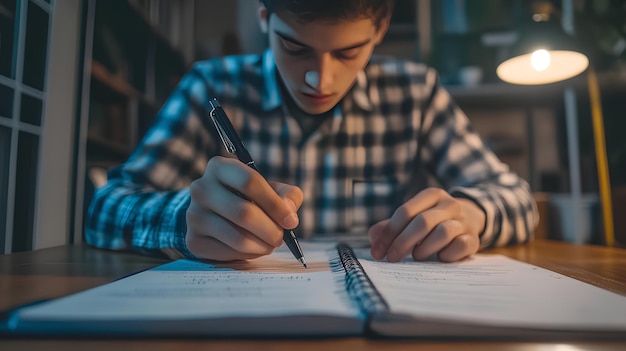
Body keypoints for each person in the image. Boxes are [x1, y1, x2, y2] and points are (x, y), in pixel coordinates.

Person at [86, 0, 538, 263]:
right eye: (294, 46)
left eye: (348, 52)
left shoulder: (415, 92)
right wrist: (180, 220)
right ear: (265, 16)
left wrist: (472, 213)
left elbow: (517, 198)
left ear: (379, 29)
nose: (318, 81)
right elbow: (104, 207)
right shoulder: (212, 87)